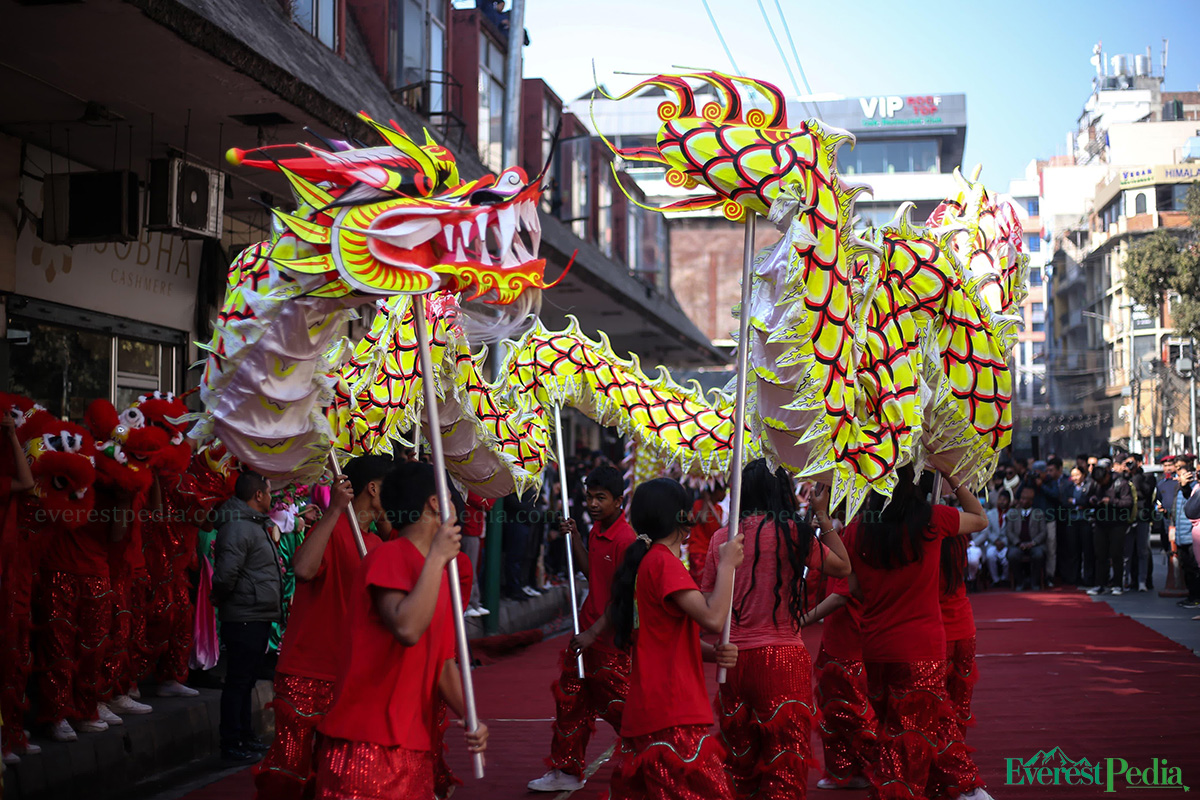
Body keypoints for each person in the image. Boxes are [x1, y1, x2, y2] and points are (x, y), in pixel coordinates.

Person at [312, 461, 487, 798]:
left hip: (411, 745)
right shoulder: (388, 556)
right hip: (367, 746)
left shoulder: (440, 573)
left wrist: (470, 716)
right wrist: (436, 558)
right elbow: (407, 628)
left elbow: (442, 662)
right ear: (435, 503)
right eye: (449, 498)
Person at [701, 462, 851, 800]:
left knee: (739, 763)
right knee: (786, 761)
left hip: (733, 660)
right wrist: (822, 517)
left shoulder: (721, 539)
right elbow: (843, 566)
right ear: (780, 492)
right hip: (783, 659)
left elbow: (708, 604)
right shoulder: (792, 532)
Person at [843, 465, 989, 800]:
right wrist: (953, 474)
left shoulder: (858, 529)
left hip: (877, 646)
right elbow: (979, 519)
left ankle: (953, 788)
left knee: (893, 731)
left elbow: (853, 586)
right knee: (912, 736)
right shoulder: (933, 519)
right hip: (922, 647)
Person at [254, 456, 392, 800]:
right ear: (372, 489)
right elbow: (302, 569)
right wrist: (333, 511)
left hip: (349, 675)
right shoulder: (331, 529)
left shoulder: (374, 544)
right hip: (306, 670)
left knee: (336, 775)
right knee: (289, 771)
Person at [608, 478, 742, 800]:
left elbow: (665, 635)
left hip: (655, 704)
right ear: (681, 518)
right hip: (671, 707)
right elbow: (712, 617)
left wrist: (712, 653)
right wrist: (726, 566)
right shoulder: (663, 563)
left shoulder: (649, 561)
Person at [529, 465, 636, 793]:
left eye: (600, 498)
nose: (591, 503)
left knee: (624, 711)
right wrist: (575, 537)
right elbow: (592, 572)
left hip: (607, 642)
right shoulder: (595, 531)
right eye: (589, 497)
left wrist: (592, 634)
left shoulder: (626, 539)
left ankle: (652, 758)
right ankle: (566, 769)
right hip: (585, 634)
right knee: (570, 703)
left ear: (619, 500)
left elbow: (621, 599)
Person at [212, 472, 283, 763]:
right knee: (238, 681)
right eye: (268, 491)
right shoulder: (239, 527)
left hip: (256, 613)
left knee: (247, 679)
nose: (271, 497)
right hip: (244, 614)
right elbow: (226, 574)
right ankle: (232, 741)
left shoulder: (253, 525)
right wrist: (224, 597)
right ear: (257, 496)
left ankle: (244, 735)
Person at [927, 527, 987, 800]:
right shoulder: (958, 537)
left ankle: (959, 779)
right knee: (959, 709)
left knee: (937, 712)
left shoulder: (924, 539)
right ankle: (948, 775)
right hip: (964, 628)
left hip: (937, 634)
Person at [1086, 460, 1133, 596]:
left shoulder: (1121, 483)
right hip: (1100, 523)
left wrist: (1111, 501)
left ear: (1108, 475)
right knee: (1100, 555)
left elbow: (1128, 502)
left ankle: (1117, 584)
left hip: (1117, 524)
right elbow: (1087, 497)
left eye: (1102, 480)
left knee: (1116, 555)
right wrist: (1093, 500)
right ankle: (1099, 584)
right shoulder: (1095, 483)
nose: (1100, 483)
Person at [1005, 486, 1047, 591]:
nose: (1022, 501)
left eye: (1025, 499)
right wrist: (1018, 543)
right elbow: (1009, 531)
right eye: (1021, 498)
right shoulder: (1013, 513)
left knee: (1038, 555)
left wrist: (1033, 543)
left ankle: (1034, 582)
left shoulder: (1039, 513)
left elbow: (1043, 532)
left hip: (1034, 544)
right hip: (1018, 545)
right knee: (1012, 555)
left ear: (1031, 501)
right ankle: (1020, 582)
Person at [1123, 454, 1155, 592]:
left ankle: (1143, 581)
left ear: (1139, 463)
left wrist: (1136, 476)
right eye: (1127, 463)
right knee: (1127, 552)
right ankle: (1126, 580)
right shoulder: (1124, 477)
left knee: (1142, 551)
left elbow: (1146, 493)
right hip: (1127, 519)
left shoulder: (1147, 477)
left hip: (1142, 517)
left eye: (1132, 463)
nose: (1129, 465)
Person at [462, 491, 495, 618]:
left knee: (475, 568)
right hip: (469, 529)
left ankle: (474, 602)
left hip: (476, 529)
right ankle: (468, 604)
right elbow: (485, 503)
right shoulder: (468, 484)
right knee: (469, 569)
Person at [687, 482, 725, 583]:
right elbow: (703, 519)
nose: (724, 494)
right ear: (715, 491)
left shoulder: (718, 509)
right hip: (698, 550)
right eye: (722, 491)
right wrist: (706, 501)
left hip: (710, 552)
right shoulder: (699, 504)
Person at [1177, 460, 1200, 609]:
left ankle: (1196, 598)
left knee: (1194, 569)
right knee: (1189, 568)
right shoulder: (1191, 488)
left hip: (1192, 535)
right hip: (1186, 534)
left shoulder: (1195, 487)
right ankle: (1193, 597)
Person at [982, 490, 1011, 584]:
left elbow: (1013, 531)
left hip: (1006, 543)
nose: (1002, 501)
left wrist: (1004, 542)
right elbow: (987, 531)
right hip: (993, 543)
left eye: (1004, 500)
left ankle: (1004, 579)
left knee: (1007, 558)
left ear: (1009, 501)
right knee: (990, 555)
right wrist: (995, 541)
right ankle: (995, 580)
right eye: (1000, 499)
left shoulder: (1013, 513)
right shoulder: (990, 513)